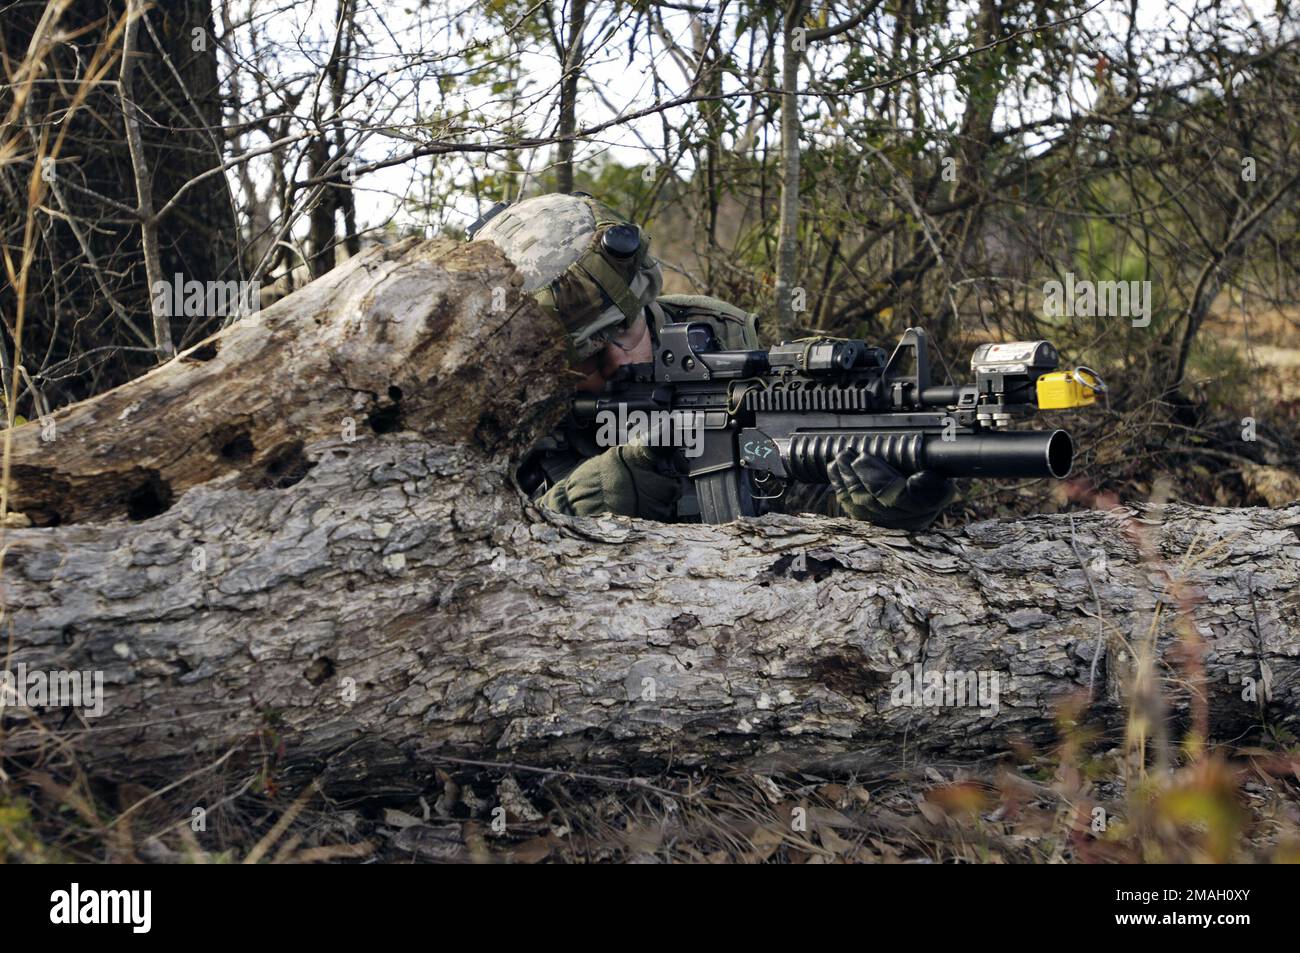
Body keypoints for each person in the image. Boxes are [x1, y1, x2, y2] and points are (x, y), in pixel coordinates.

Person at [470, 192, 955, 530]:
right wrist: (590, 498)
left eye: (626, 328)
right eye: (590, 354)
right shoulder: (497, 414)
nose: (620, 359)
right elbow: (480, 548)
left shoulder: (719, 344)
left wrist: (875, 508)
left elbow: (782, 485)